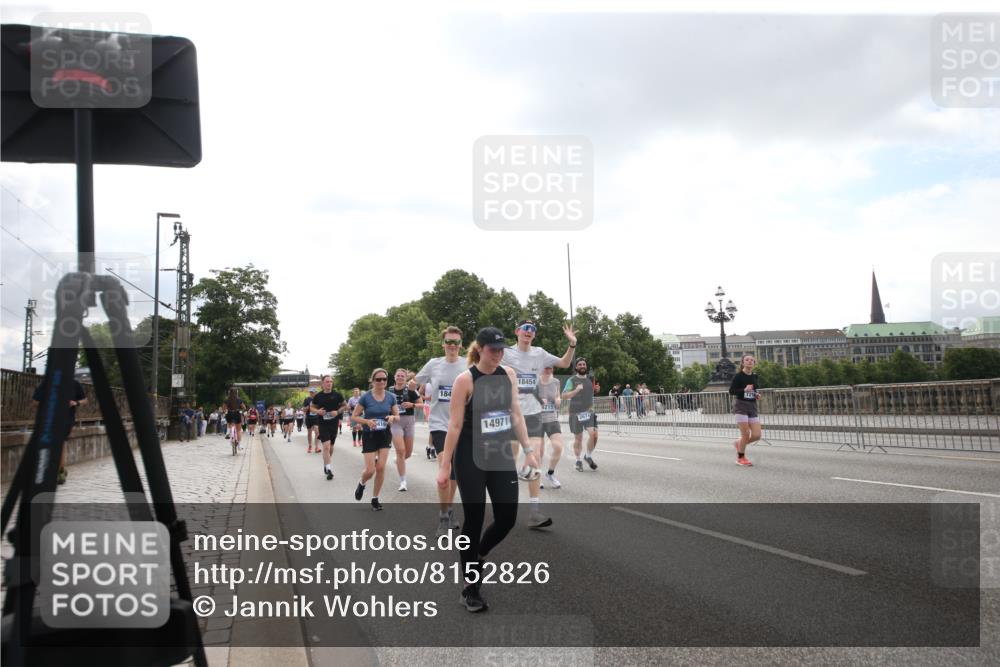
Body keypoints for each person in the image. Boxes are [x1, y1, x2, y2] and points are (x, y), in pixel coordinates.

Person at [436, 327, 540, 612]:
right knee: (474, 518)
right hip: (469, 455)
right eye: (493, 349)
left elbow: (516, 414)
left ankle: (478, 554)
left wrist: (529, 451)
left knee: (507, 518)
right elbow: (455, 425)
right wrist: (444, 467)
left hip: (500, 454)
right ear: (480, 349)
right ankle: (470, 587)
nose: (498, 354)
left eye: (501, 349)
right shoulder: (465, 380)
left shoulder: (508, 375)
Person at [500, 319, 577, 529]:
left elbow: (564, 363)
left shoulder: (540, 353)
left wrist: (572, 344)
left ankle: (534, 513)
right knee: (509, 462)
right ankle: (504, 506)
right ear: (517, 331)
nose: (529, 331)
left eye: (533, 329)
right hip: (512, 413)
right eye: (526, 328)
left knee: (534, 460)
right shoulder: (506, 353)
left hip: (534, 414)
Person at [415, 326, 468, 534]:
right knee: (444, 466)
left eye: (456, 342)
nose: (452, 345)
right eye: (448, 341)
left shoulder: (468, 364)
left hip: (462, 424)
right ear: (443, 344)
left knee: (454, 472)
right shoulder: (433, 364)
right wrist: (413, 389)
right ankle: (444, 517)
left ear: (461, 345)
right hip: (439, 424)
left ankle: (449, 508)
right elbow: (416, 382)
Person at [352, 369, 399, 510]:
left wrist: (392, 417)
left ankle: (375, 498)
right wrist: (367, 422)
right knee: (370, 470)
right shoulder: (365, 397)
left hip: (384, 434)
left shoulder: (391, 397)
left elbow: (397, 416)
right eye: (378, 379)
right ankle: (362, 483)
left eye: (384, 379)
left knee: (381, 468)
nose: (382, 382)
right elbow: (354, 416)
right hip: (369, 435)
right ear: (373, 381)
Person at [31, 375, 88, 485]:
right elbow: (35, 402)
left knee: (60, 443)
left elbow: (85, 400)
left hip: (66, 419)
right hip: (49, 420)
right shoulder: (47, 383)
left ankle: (60, 472)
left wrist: (76, 403)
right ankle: (55, 470)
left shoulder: (74, 383)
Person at [563, 357, 599, 472]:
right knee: (578, 439)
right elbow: (564, 396)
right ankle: (578, 460)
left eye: (584, 364)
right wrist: (576, 390)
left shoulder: (590, 378)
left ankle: (588, 456)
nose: (582, 366)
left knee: (594, 435)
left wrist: (596, 390)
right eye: (580, 364)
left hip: (589, 411)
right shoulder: (572, 380)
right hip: (575, 412)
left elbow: (590, 393)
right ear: (576, 367)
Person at [389, 368, 421, 492]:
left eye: (402, 376)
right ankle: (403, 481)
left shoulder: (411, 390)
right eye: (398, 375)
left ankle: (398, 460)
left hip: (409, 421)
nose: (400, 377)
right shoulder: (389, 391)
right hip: (396, 422)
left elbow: (421, 404)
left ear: (405, 378)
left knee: (408, 453)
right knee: (401, 451)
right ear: (394, 377)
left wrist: (412, 405)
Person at [311, 375, 346, 480]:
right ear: (323, 383)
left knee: (330, 447)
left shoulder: (337, 395)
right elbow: (311, 408)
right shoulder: (318, 396)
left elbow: (346, 406)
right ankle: (329, 469)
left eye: (331, 381)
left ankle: (326, 463)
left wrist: (337, 411)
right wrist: (318, 411)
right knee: (326, 446)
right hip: (323, 424)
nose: (329, 383)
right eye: (327, 381)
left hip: (334, 423)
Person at [729, 354, 763, 467]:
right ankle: (741, 458)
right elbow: (731, 391)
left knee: (757, 435)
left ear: (754, 363)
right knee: (746, 434)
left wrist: (756, 394)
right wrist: (744, 389)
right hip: (741, 406)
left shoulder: (755, 376)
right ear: (743, 363)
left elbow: (754, 390)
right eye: (747, 360)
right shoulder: (738, 376)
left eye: (752, 360)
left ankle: (738, 443)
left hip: (752, 406)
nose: (750, 361)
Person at [536, 365, 565, 489]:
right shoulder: (535, 381)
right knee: (539, 451)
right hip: (537, 419)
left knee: (558, 447)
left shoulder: (556, 382)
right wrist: (539, 400)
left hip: (552, 419)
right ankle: (537, 476)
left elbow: (557, 395)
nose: (548, 370)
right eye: (546, 368)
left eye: (550, 368)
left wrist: (558, 400)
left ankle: (550, 474)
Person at [303, 387, 319, 453]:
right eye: (310, 392)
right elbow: (304, 409)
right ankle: (310, 446)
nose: (311, 393)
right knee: (309, 432)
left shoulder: (318, 399)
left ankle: (316, 447)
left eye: (312, 392)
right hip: (309, 417)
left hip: (316, 417)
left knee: (317, 431)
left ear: (315, 392)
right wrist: (308, 407)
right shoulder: (307, 399)